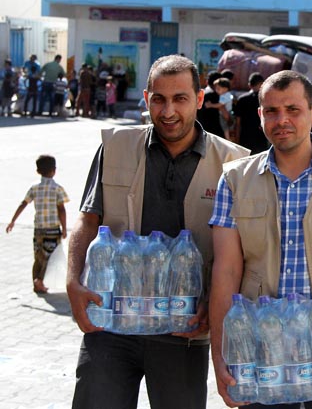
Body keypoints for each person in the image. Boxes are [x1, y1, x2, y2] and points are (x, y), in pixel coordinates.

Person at [65, 55, 249, 409]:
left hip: (184, 328)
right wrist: (73, 280)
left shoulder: (234, 164)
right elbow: (88, 220)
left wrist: (217, 307)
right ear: (147, 98)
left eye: (180, 99)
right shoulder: (116, 146)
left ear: (198, 99)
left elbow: (242, 252)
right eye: (159, 99)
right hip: (111, 324)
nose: (168, 111)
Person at [208, 70, 312, 408]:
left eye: (293, 110)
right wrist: (221, 354)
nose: (281, 120)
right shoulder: (235, 179)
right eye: (271, 111)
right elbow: (225, 271)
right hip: (260, 345)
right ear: (260, 117)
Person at [6, 154, 69, 294]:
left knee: (38, 255)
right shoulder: (57, 188)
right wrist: (64, 228)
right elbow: (62, 210)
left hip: (38, 229)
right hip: (53, 229)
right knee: (49, 256)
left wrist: (13, 221)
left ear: (37, 171)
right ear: (54, 170)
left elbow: (23, 204)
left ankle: (36, 283)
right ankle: (39, 280)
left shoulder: (34, 188)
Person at [232, 72, 268, 154]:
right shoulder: (265, 100)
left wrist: (237, 139)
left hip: (245, 137)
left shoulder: (242, 99)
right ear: (262, 84)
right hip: (261, 137)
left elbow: (237, 122)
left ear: (249, 85)